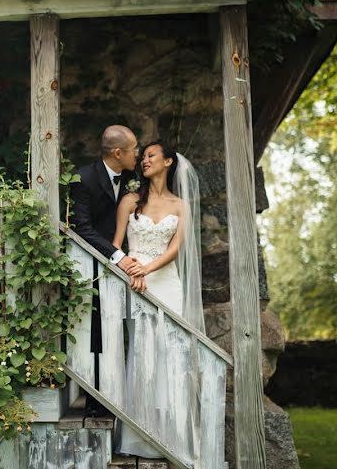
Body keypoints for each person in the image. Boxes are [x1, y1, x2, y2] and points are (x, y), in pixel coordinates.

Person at [112, 140, 204, 462]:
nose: (145, 160)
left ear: (168, 161)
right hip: (135, 282)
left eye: (152, 155)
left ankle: (174, 435)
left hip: (166, 283)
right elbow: (116, 245)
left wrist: (147, 268)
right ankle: (143, 436)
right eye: (144, 156)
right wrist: (130, 269)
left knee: (172, 354)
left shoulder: (181, 206)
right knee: (144, 351)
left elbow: (176, 249)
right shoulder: (129, 201)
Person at [70, 125, 143, 395]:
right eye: (133, 149)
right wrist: (118, 256)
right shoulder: (83, 178)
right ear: (117, 152)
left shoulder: (132, 176)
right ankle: (95, 396)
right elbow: (83, 228)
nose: (138, 153)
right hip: (95, 264)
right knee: (97, 329)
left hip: (134, 262)